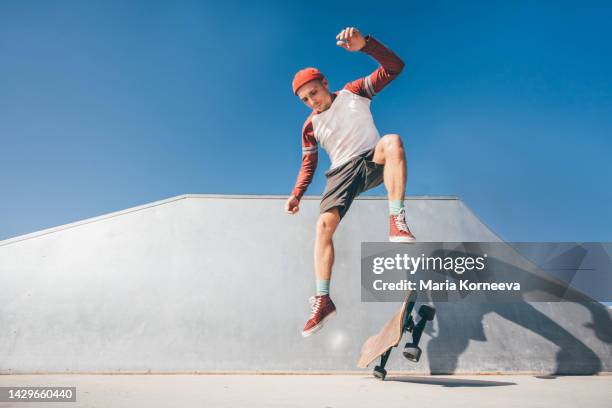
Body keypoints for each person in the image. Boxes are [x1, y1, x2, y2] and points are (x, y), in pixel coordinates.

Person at [285, 27, 416, 337]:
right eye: (305, 99)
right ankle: (322, 299)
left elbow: (394, 68)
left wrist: (366, 45)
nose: (312, 102)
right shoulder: (309, 126)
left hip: (372, 159)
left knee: (393, 140)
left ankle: (397, 220)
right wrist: (297, 194)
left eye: (314, 93)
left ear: (325, 84)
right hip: (341, 173)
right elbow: (309, 163)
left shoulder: (355, 92)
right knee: (322, 228)